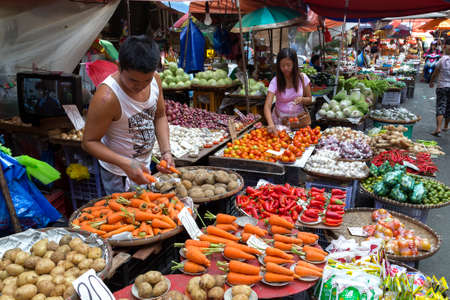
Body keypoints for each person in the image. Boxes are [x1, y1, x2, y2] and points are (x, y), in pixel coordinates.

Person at [82, 35, 173, 194]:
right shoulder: (107, 98)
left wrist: (166, 152)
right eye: (133, 80)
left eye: (146, 80)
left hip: (143, 165)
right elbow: (89, 142)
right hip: (118, 173)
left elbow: (160, 115)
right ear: (119, 66)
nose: (140, 86)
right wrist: (125, 163)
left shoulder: (155, 80)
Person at [264, 48, 312, 133]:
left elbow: (309, 99)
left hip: (298, 121)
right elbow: (267, 106)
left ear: (294, 64)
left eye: (288, 65)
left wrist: (302, 99)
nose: (285, 68)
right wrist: (271, 124)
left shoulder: (302, 78)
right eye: (282, 65)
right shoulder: (275, 81)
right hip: (280, 121)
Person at [429, 38, 450, 137]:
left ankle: (438, 128)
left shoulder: (442, 59)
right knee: (449, 107)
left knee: (441, 106)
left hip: (442, 86)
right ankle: (446, 126)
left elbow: (435, 72)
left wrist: (432, 81)